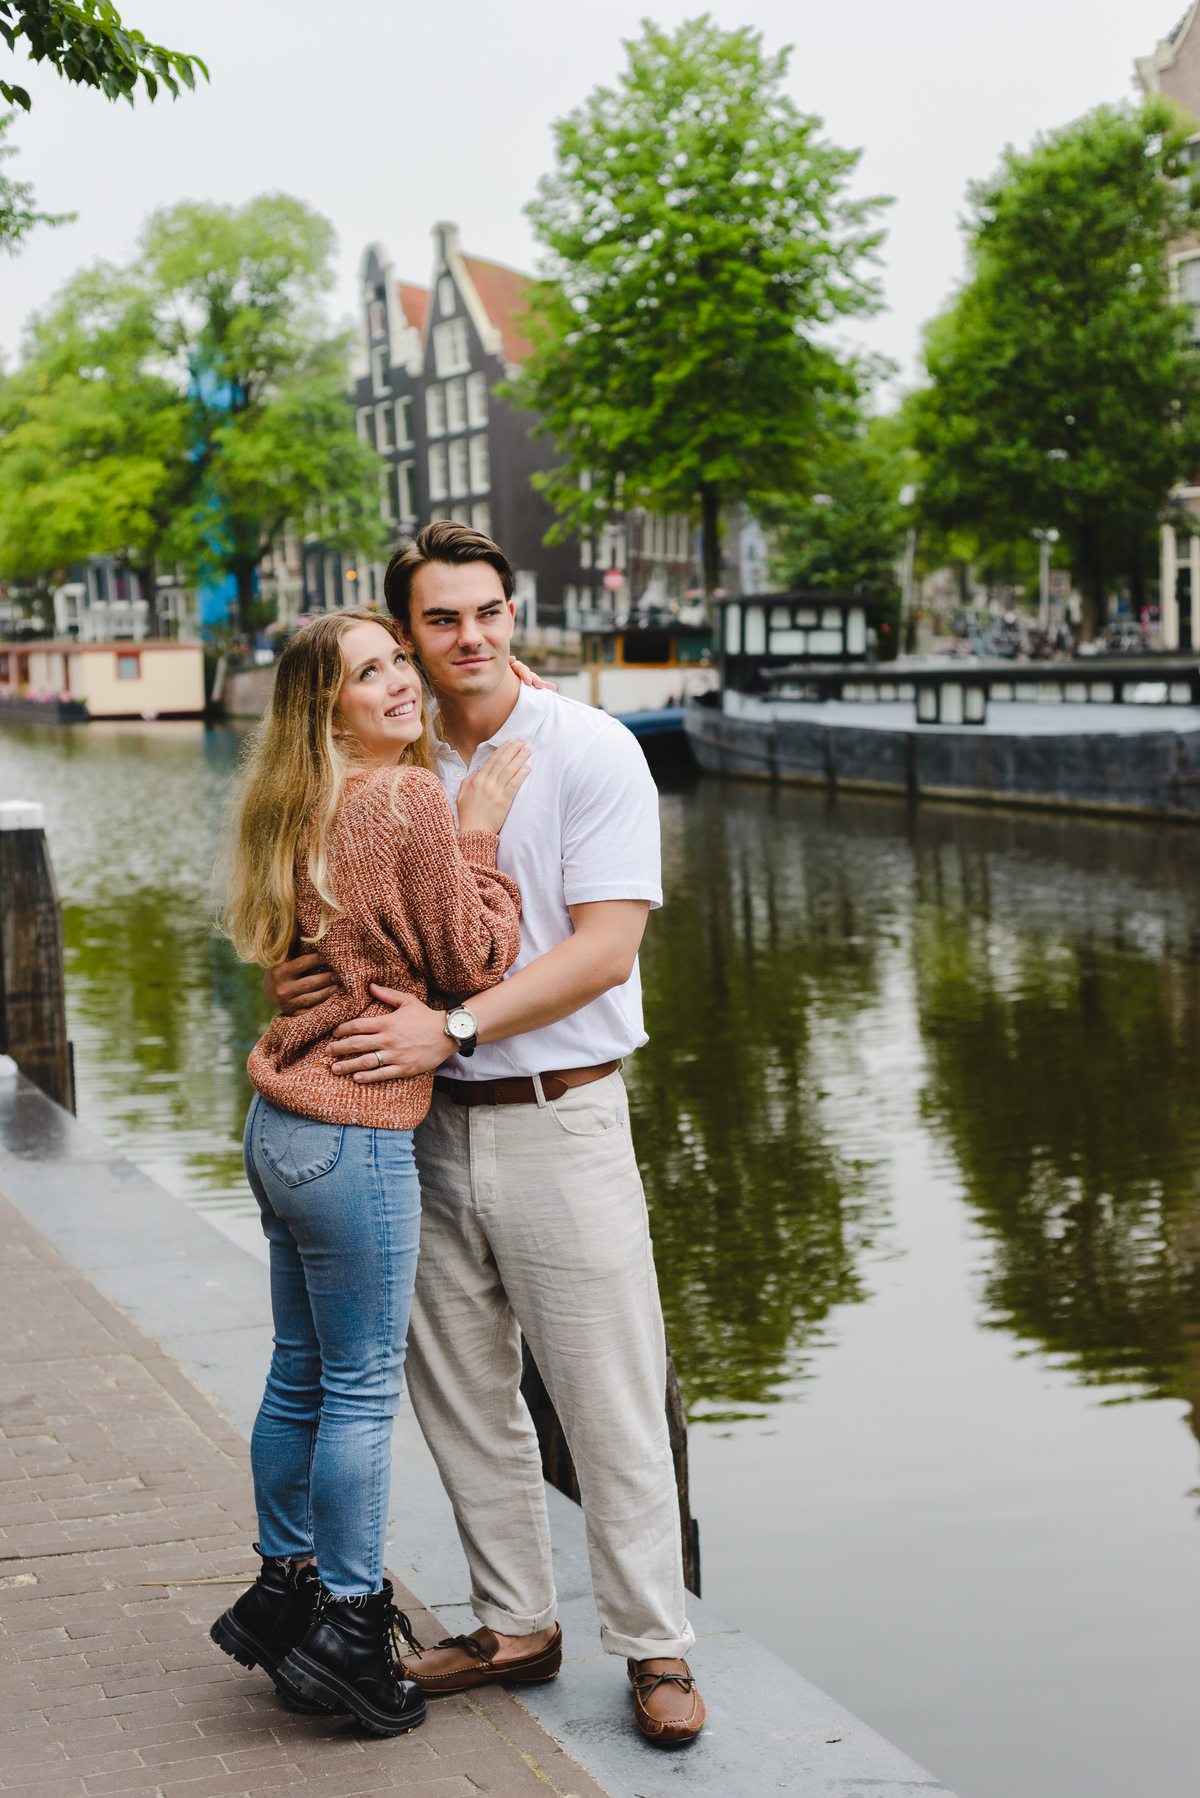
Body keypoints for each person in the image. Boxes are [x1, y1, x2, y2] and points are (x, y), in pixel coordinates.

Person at [267, 522, 706, 1749]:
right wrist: (297, 983)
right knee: (459, 1390)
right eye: (441, 620)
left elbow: (605, 948)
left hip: (557, 1112)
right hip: (411, 1129)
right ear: (403, 631)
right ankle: (517, 1620)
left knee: (608, 1394)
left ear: (515, 614)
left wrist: (449, 1027)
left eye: (489, 613)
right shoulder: (377, 755)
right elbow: (318, 923)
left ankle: (654, 1642)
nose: (468, 640)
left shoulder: (590, 748)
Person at [210, 606, 526, 1737]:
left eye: (402, 660)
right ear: (326, 704)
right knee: (354, 1390)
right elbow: (472, 959)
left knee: (298, 1372)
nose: (401, 680)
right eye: (372, 671)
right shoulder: (403, 796)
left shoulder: (296, 796)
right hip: (354, 1132)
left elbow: (308, 961)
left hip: (278, 1126)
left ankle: (283, 1583)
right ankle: (348, 1623)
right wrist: (479, 827)